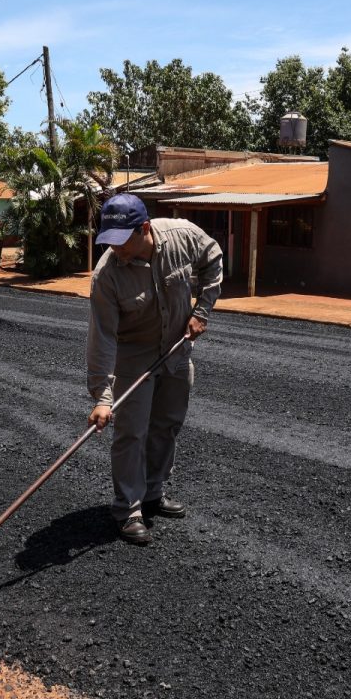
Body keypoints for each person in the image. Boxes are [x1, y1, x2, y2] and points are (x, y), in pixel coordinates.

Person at [86, 194, 223, 545]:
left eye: (121, 241)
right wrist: (103, 397)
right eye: (109, 242)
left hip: (176, 348)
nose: (115, 250)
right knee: (132, 432)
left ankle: (152, 493)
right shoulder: (107, 276)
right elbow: (102, 339)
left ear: (144, 228)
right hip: (134, 355)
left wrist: (202, 311)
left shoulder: (182, 235)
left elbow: (214, 259)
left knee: (167, 424)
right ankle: (127, 509)